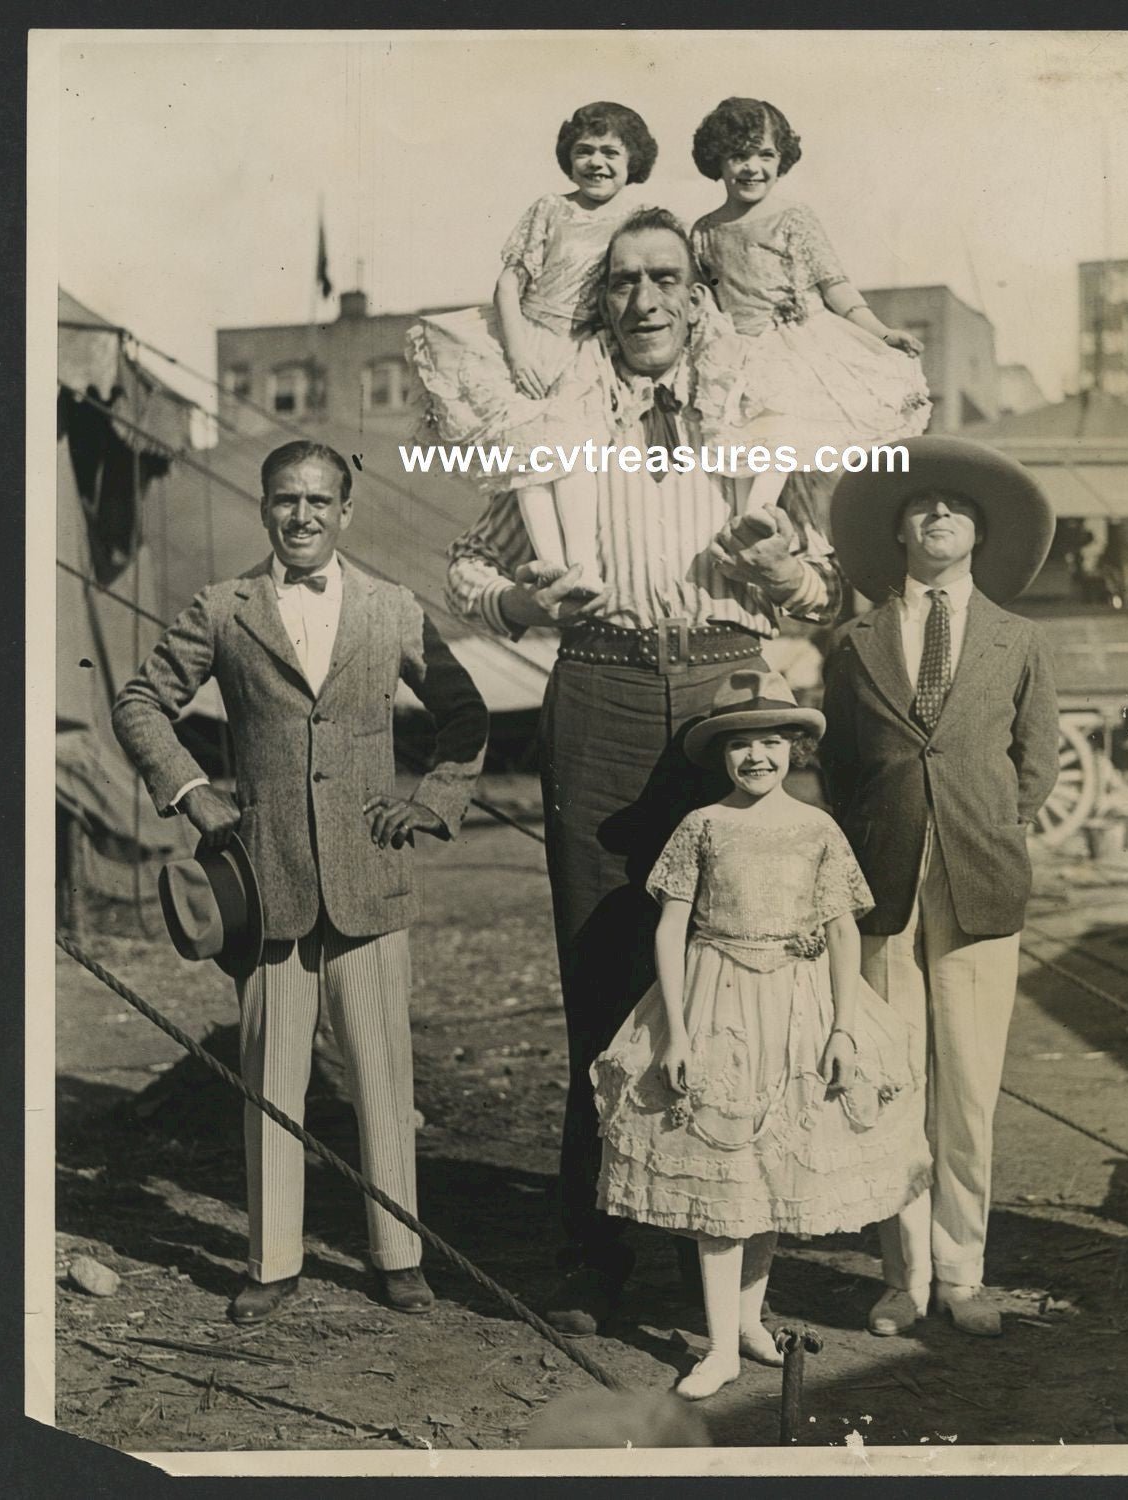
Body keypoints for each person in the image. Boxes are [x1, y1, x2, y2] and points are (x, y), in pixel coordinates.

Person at [446, 207, 845, 1336]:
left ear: (698, 293)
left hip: (725, 690)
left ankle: (715, 1247)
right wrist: (522, 602)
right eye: (622, 281)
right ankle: (596, 1244)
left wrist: (782, 571)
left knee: (737, 964)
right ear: (599, 299)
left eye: (667, 277)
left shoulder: (751, 416)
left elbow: (819, 584)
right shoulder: (556, 417)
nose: (646, 299)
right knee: (605, 957)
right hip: (603, 685)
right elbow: (470, 565)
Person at [112, 440, 488, 1325]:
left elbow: (464, 712)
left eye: (321, 501)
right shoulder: (222, 607)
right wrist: (194, 794)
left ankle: (398, 1254)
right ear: (264, 507)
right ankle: (271, 1260)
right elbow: (138, 703)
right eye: (287, 500)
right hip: (265, 883)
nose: (304, 516)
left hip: (371, 886)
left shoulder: (392, 608)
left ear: (347, 512)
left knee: (383, 1079)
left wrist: (431, 803)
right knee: (270, 1080)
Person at [591, 669, 931, 1399]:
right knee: (724, 1168)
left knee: (771, 1168)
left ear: (795, 749)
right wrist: (676, 1030)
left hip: (798, 1006)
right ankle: (718, 1346)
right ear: (721, 756)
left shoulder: (816, 828)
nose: (757, 758)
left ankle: (749, 1319)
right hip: (718, 1002)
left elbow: (843, 932)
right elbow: (672, 927)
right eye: (741, 745)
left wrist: (842, 1027)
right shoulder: (703, 826)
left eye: (772, 743)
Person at [819, 434, 1060, 1340]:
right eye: (921, 505)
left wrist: (986, 826)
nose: (938, 515)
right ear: (898, 531)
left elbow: (1034, 764)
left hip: (979, 881)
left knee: (967, 1089)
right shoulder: (854, 642)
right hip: (882, 884)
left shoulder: (1018, 638)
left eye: (956, 507)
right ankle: (903, 1276)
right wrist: (881, 835)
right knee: (888, 1084)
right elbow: (841, 766)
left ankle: (963, 1272)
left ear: (980, 534)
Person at [410, 101, 657, 594]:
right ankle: (551, 563)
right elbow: (508, 285)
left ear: (633, 165)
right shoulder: (551, 209)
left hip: (585, 350)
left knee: (575, 455)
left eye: (611, 152)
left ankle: (582, 564)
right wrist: (518, 355)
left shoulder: (634, 222)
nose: (596, 162)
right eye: (585, 151)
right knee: (529, 462)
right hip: (527, 337)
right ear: (569, 157)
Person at [688, 96, 930, 518]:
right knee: (747, 441)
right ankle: (750, 521)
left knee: (784, 433)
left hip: (799, 345)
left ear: (782, 160)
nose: (752, 168)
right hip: (740, 352)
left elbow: (835, 287)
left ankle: (761, 514)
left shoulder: (793, 217)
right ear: (718, 160)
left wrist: (883, 334)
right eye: (739, 155)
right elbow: (706, 299)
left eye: (765, 155)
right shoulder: (705, 230)